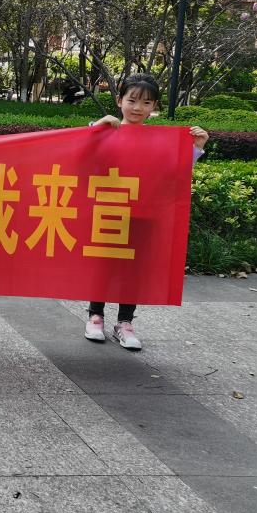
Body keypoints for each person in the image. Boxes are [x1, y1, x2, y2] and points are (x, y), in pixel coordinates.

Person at [84, 73, 208, 350]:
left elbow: (174, 173)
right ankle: (95, 316)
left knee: (133, 270)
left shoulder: (159, 139)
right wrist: (96, 127)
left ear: (154, 107)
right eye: (132, 100)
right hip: (109, 209)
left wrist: (196, 149)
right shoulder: (106, 130)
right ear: (119, 101)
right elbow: (83, 153)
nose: (138, 107)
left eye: (147, 102)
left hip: (143, 214)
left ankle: (125, 322)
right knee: (103, 265)